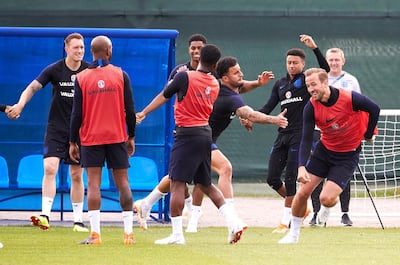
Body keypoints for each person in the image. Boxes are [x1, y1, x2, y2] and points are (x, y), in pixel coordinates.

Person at [135, 56, 288, 232]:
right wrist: (273, 119)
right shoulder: (222, 92)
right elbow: (249, 113)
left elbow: (242, 89)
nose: (241, 74)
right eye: (236, 72)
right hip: (196, 136)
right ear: (223, 77)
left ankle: (147, 204)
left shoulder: (222, 88)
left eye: (240, 71)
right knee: (224, 168)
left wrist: (257, 84)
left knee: (181, 178)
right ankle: (231, 219)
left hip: (202, 138)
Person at [136, 44, 245, 245]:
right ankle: (233, 222)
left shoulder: (185, 76)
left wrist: (144, 112)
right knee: (205, 184)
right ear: (215, 64)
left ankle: (177, 235)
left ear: (200, 56)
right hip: (205, 134)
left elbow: (164, 95)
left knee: (177, 182)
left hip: (186, 133)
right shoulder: (214, 83)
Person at [278, 68, 380, 244]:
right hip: (323, 152)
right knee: (302, 193)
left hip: (347, 156)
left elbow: (374, 109)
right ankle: (293, 235)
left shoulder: (349, 98)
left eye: (314, 85)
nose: (311, 89)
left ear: (325, 83)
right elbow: (306, 139)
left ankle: (325, 208)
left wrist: (369, 133)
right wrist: (301, 167)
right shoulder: (310, 107)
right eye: (308, 86)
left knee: (326, 198)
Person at [7, 33, 89, 232]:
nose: (79, 51)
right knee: (50, 168)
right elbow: (33, 87)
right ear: (66, 48)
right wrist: (20, 104)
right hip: (56, 129)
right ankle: (45, 216)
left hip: (80, 131)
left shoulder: (90, 71)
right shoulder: (54, 69)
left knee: (76, 175)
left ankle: (78, 221)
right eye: (76, 47)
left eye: (82, 47)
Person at [133, 33, 208, 230]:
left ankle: (148, 204)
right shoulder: (180, 72)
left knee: (182, 175)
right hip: (187, 129)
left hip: (205, 129)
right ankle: (193, 217)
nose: (195, 51)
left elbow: (228, 95)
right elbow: (165, 95)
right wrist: (145, 112)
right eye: (193, 48)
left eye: (199, 48)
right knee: (188, 175)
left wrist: (243, 113)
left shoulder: (211, 74)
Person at [258, 34, 330, 234]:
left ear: (303, 64)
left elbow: (324, 70)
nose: (291, 66)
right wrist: (250, 116)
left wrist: (315, 48)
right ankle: (301, 207)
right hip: (283, 134)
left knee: (291, 177)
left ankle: (286, 221)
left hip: (301, 134)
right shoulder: (280, 84)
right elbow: (268, 106)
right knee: (273, 178)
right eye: (289, 62)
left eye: (295, 63)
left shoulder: (307, 81)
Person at [69, 35, 136, 245]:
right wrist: (131, 135)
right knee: (123, 183)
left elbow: (76, 114)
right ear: (108, 51)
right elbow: (130, 111)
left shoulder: (81, 78)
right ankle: (128, 235)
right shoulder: (121, 74)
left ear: (91, 52)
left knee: (94, 185)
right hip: (117, 136)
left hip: (91, 138)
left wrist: (73, 141)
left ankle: (95, 235)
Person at [309, 47, 361, 226]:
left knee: (341, 174)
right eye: (330, 60)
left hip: (345, 135)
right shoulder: (320, 79)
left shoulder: (350, 81)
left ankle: (345, 212)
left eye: (336, 60)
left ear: (343, 61)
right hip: (320, 131)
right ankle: (316, 213)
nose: (333, 63)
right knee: (316, 174)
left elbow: (360, 108)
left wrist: (359, 132)